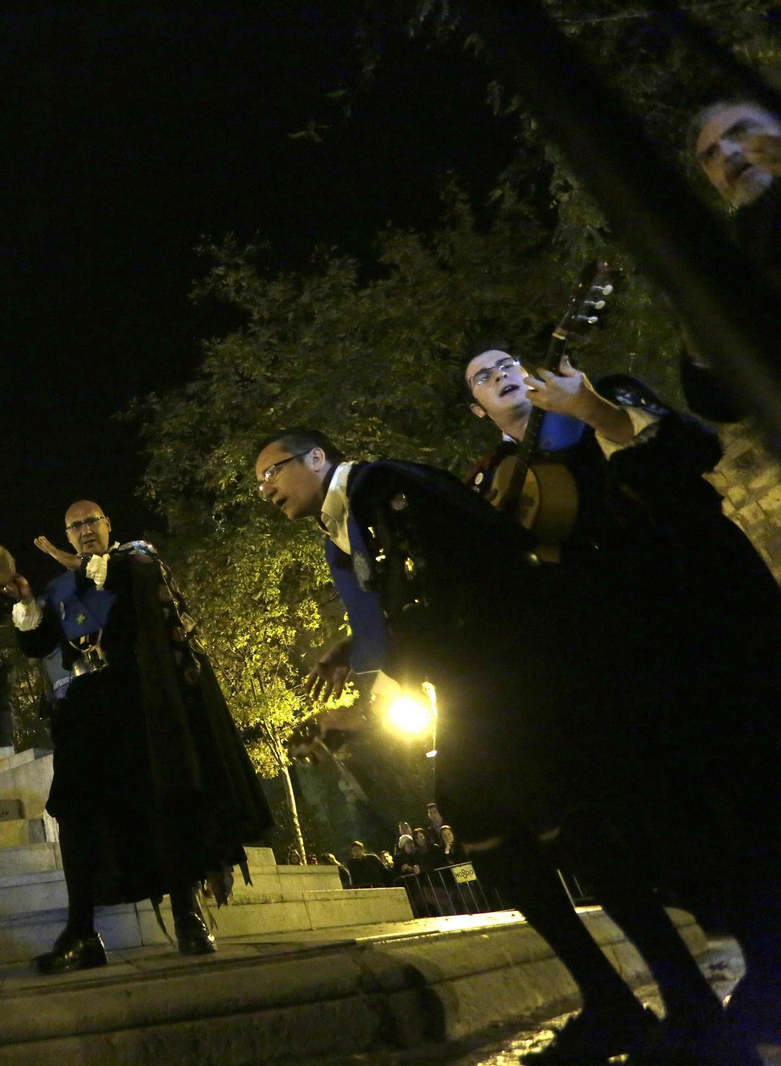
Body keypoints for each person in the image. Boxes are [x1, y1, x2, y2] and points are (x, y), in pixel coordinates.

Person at [255, 429, 705, 1064]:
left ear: (317, 458)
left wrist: (377, 691)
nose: (266, 489)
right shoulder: (349, 521)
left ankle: (685, 1002)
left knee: (562, 826)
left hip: (508, 678)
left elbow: (464, 574)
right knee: (487, 827)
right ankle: (617, 1000)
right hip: (475, 687)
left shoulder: (385, 488)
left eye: (271, 471)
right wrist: (357, 648)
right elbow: (411, 599)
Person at [463, 345, 781, 1055]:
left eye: (507, 362)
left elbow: (697, 444)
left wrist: (590, 410)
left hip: (706, 612)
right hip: (619, 654)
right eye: (483, 377)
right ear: (476, 408)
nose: (501, 375)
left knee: (751, 783)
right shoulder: (488, 480)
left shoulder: (601, 397)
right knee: (685, 815)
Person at [0, 500, 272, 973]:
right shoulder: (61, 586)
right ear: (67, 534)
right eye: (75, 526)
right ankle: (82, 932)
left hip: (144, 702)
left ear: (108, 525)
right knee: (76, 812)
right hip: (85, 709)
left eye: (91, 522)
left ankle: (187, 913)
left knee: (160, 799)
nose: (84, 531)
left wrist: (83, 566)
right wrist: (26, 599)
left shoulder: (136, 561)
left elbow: (144, 589)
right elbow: (38, 645)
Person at [682, 100, 781, 421]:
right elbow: (719, 402)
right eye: (710, 155)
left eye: (741, 131)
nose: (726, 152)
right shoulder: (734, 258)